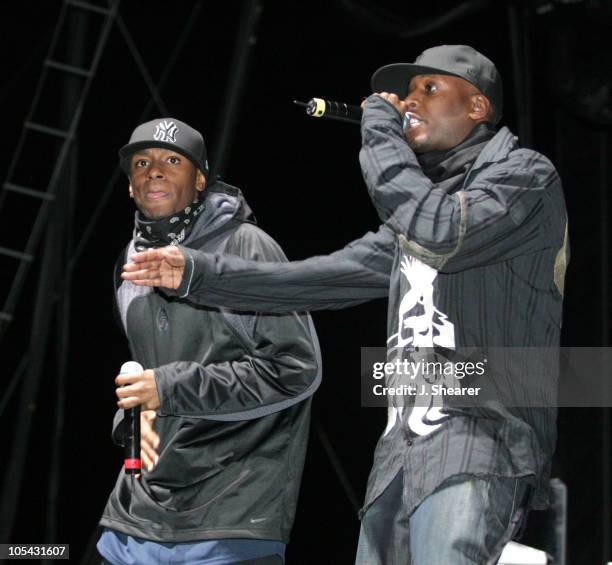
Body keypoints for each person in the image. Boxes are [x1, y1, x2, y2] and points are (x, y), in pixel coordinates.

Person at [123, 46, 569, 565]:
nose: (408, 101)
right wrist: (200, 273)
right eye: (405, 92)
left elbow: (437, 228)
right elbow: (316, 279)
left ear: (477, 107)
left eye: (428, 89)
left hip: (480, 434)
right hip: (403, 451)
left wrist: (380, 129)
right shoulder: (425, 208)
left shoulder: (525, 178)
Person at [96, 117, 321, 565]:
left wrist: (170, 386)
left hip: (229, 517)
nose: (153, 170)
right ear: (129, 186)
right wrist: (134, 418)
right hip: (136, 517)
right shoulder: (130, 263)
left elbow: (296, 370)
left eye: (171, 161)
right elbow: (149, 374)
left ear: (199, 180)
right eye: (142, 162)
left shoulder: (246, 249)